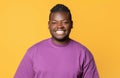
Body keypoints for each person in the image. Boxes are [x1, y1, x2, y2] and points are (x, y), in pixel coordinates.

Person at [14, 4, 99, 78]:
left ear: (71, 24)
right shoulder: (33, 52)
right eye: (54, 22)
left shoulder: (84, 54)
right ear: (49, 25)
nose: (59, 26)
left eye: (65, 22)